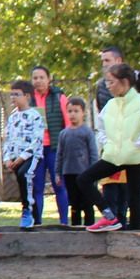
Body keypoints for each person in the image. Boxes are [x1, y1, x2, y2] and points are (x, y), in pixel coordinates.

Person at [79, 64, 140, 231]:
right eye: (107, 82)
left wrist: (139, 144)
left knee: (134, 195)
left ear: (125, 82)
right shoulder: (111, 105)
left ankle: (135, 235)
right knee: (84, 179)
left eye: (111, 82)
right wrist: (106, 141)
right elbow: (100, 127)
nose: (108, 86)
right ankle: (109, 216)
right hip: (115, 155)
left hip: (136, 156)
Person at [94, 45, 140, 224]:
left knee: (138, 184)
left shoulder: (136, 81)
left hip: (134, 144)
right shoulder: (101, 86)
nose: (104, 64)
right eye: (102, 61)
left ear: (119, 61)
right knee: (113, 184)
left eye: (107, 60)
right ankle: (116, 219)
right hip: (114, 145)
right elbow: (102, 115)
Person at [29, 66, 72, 225]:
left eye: (41, 77)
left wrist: (66, 146)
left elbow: (67, 123)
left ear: (49, 79)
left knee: (59, 186)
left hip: (55, 148)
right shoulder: (29, 99)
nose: (38, 81)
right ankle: (37, 222)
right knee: (37, 188)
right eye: (35, 78)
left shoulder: (59, 97)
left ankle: (63, 221)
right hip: (36, 150)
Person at [3, 80, 46, 231]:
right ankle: (33, 215)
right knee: (23, 183)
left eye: (17, 94)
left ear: (27, 96)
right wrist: (7, 158)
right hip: (15, 158)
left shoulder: (35, 116)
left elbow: (37, 140)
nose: (13, 97)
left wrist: (22, 157)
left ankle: (27, 211)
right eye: (11, 94)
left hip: (31, 157)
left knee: (25, 174)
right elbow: (7, 140)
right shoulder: (12, 118)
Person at [56, 96, 99, 226]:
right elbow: (60, 154)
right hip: (69, 173)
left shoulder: (87, 132)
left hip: (85, 173)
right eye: (69, 111)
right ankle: (75, 228)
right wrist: (58, 172)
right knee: (74, 203)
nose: (72, 114)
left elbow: (93, 153)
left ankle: (90, 226)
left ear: (83, 112)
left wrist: (94, 173)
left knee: (87, 202)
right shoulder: (63, 134)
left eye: (76, 111)